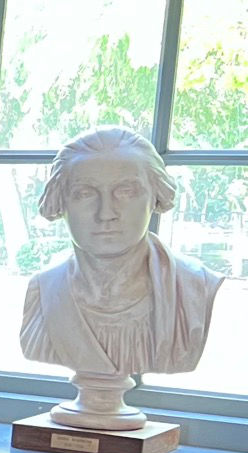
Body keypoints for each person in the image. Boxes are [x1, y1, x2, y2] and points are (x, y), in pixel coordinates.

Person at [22, 125, 224, 429]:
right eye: (85, 193)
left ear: (156, 196)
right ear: (60, 203)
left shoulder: (194, 289)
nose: (106, 213)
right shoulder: (43, 292)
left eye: (127, 191)